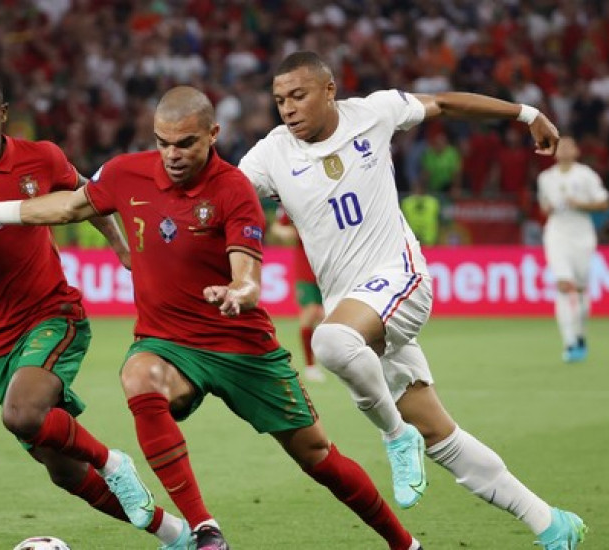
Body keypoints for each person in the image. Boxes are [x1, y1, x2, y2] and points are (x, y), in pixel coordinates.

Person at [0, 85, 423, 550]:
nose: (172, 154)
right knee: (138, 375)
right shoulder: (127, 174)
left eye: (185, 143)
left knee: (317, 457)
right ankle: (204, 530)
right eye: (163, 142)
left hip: (242, 349)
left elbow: (247, 275)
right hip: (168, 345)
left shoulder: (234, 190)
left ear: (213, 134)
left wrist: (238, 293)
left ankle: (404, 543)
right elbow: (68, 205)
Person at [238, 51, 586, 550]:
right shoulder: (271, 153)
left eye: (298, 95)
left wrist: (527, 114)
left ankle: (393, 435)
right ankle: (550, 522)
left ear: (329, 89)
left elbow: (446, 102)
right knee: (442, 436)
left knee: (331, 342)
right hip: (359, 312)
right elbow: (221, 194)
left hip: (400, 281)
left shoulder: (374, 112)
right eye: (279, 101)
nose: (288, 109)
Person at [0, 62, 189, 550]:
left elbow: (88, 199)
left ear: (3, 113)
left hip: (54, 316)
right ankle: (174, 534)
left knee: (22, 414)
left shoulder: (42, 158)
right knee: (63, 470)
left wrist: (121, 251)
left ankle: (115, 462)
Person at [537, 136, 609, 363]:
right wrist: (548, 208)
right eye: (561, 146)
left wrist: (580, 204)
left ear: (577, 150)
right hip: (557, 234)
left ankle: (579, 335)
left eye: (570, 145)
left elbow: (604, 203)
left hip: (582, 236)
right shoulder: (546, 178)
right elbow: (543, 208)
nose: (565, 149)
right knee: (563, 284)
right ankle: (569, 342)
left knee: (579, 290)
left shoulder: (585, 175)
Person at [269, 208, 326, 382]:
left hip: (329, 267)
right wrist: (294, 232)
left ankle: (332, 360)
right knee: (310, 313)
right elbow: (277, 228)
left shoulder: (327, 201)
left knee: (327, 316)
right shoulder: (291, 201)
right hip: (306, 269)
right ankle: (310, 366)